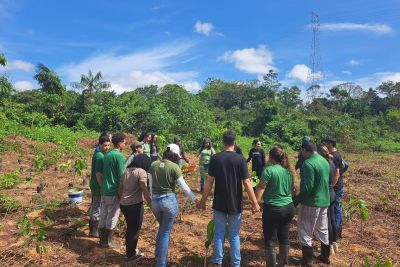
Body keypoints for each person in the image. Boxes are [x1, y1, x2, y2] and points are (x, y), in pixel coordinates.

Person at [197, 130, 260, 267]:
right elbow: (247, 182)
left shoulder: (216, 158)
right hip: (235, 203)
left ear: (222, 142)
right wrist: (255, 203)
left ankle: (217, 262)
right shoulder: (240, 159)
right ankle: (236, 263)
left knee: (219, 233)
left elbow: (209, 181)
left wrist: (203, 201)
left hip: (219, 201)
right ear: (235, 142)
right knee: (234, 235)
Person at [149, 143, 197, 267]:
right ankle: (161, 263)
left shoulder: (153, 164)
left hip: (155, 201)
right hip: (168, 201)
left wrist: (152, 200)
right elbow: (185, 188)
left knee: (162, 228)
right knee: (165, 232)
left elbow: (150, 186)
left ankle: (157, 256)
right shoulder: (174, 167)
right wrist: (196, 200)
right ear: (175, 154)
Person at [255, 146, 296, 267]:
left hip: (273, 208)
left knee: (270, 240)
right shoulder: (289, 170)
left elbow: (261, 188)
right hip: (288, 207)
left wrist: (255, 203)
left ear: (271, 157)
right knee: (284, 237)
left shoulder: (269, 170)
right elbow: (293, 191)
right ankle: (283, 264)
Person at [293, 141, 331, 266]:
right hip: (324, 200)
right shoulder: (324, 160)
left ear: (304, 150)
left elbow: (307, 188)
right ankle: (325, 256)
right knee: (323, 228)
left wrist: (296, 201)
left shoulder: (308, 164)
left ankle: (307, 261)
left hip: (311, 202)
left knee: (305, 230)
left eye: (301, 151)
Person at [119, 154, 152, 262]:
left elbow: (120, 188)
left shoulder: (126, 171)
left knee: (130, 228)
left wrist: (120, 200)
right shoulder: (141, 171)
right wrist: (150, 202)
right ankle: (131, 255)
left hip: (124, 204)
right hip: (135, 205)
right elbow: (143, 184)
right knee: (134, 230)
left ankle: (130, 250)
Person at [98, 132, 126, 248]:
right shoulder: (119, 156)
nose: (125, 144)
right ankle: (108, 242)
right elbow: (122, 176)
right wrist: (122, 193)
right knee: (113, 216)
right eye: (124, 142)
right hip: (113, 190)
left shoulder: (107, 154)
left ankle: (102, 241)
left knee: (103, 214)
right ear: (120, 143)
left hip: (104, 190)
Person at [321, 136, 344, 240]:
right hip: (338, 185)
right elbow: (343, 166)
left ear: (330, 144)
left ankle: (336, 233)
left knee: (334, 211)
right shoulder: (337, 154)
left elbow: (337, 172)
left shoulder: (333, 156)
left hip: (335, 187)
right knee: (335, 209)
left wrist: (332, 185)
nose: (324, 145)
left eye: (325, 143)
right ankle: (336, 233)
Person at [317, 144, 338, 255]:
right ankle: (334, 243)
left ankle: (328, 246)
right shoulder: (332, 163)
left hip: (326, 194)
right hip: (332, 192)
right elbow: (336, 175)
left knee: (327, 222)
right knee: (332, 219)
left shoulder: (324, 164)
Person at [89, 135, 111, 237]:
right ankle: (94, 231)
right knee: (97, 207)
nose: (107, 147)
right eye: (105, 145)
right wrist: (102, 187)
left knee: (96, 206)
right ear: (99, 145)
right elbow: (98, 174)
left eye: (108, 145)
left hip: (95, 184)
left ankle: (94, 230)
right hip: (97, 185)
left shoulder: (99, 154)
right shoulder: (100, 156)